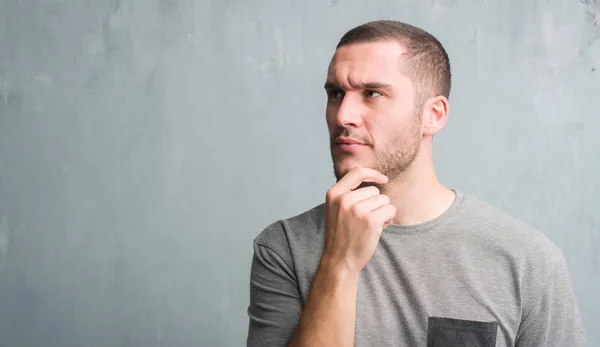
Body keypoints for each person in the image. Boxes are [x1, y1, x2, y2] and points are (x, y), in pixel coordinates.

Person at [245, 20, 587, 347]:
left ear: (433, 115)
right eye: (335, 93)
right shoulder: (285, 248)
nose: (343, 115)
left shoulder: (527, 261)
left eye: (372, 93)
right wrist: (340, 265)